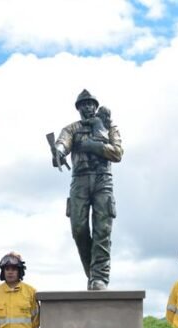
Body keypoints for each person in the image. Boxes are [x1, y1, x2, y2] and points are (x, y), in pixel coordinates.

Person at [53, 89, 124, 290]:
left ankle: (99, 278)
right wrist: (58, 153)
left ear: (95, 106)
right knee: (78, 230)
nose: (88, 107)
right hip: (80, 181)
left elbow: (117, 153)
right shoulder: (72, 129)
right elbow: (62, 143)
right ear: (78, 108)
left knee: (103, 230)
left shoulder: (110, 128)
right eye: (83, 104)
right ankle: (92, 274)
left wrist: (92, 146)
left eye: (91, 104)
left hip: (103, 181)